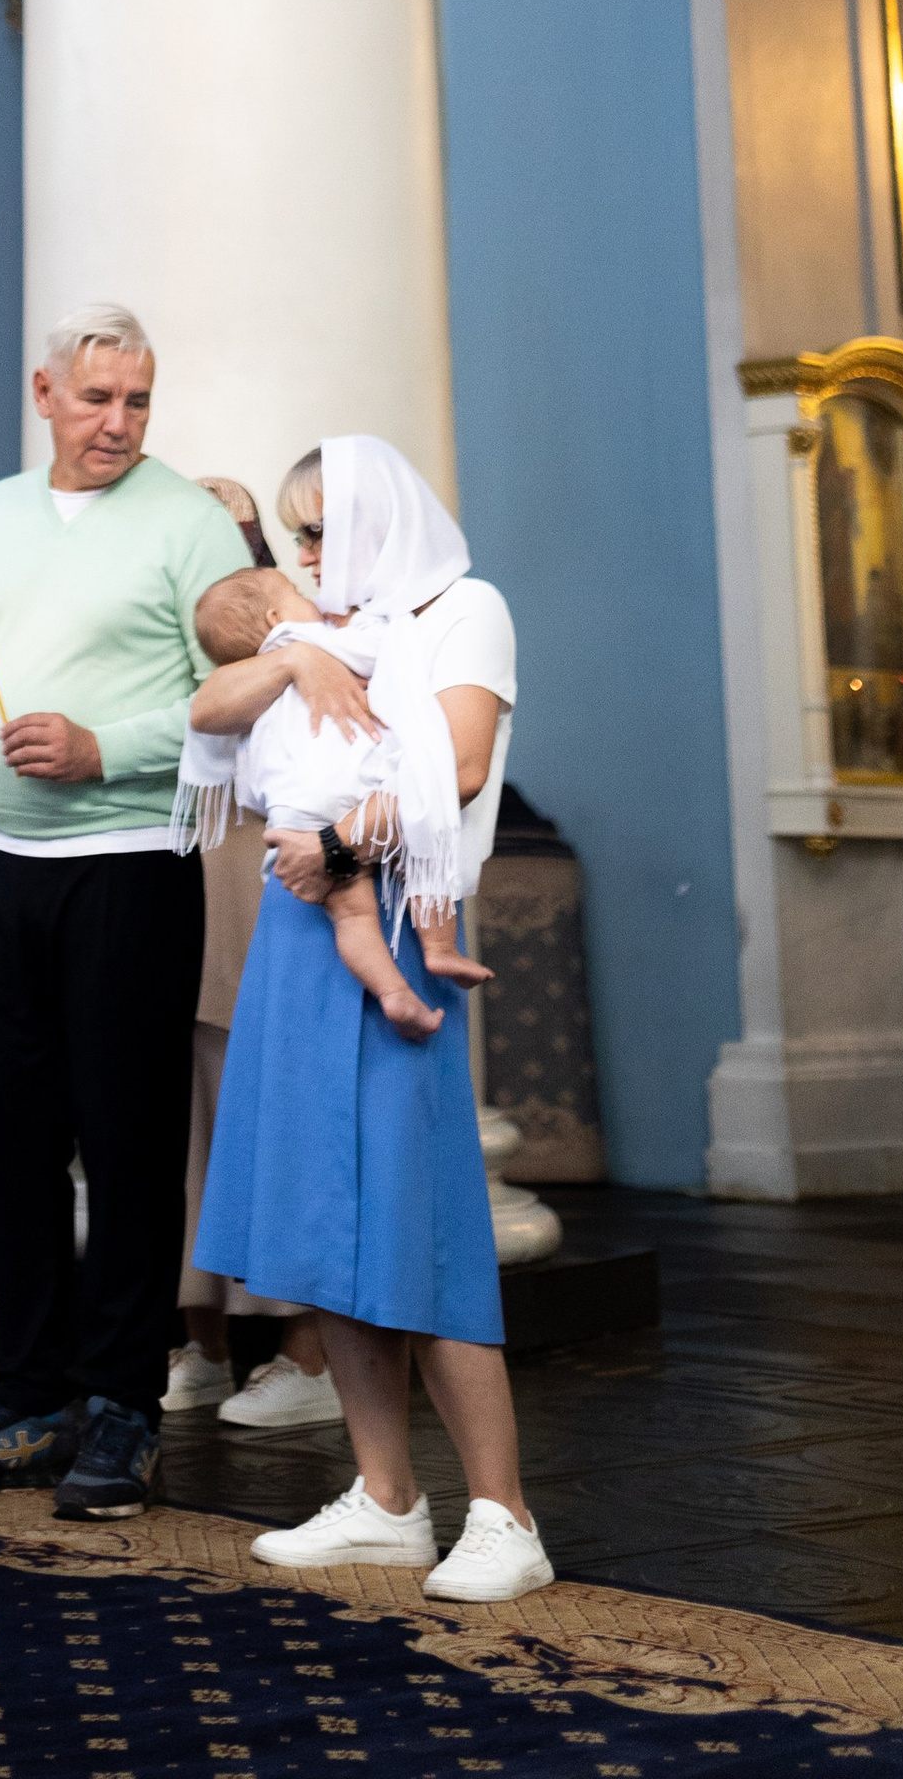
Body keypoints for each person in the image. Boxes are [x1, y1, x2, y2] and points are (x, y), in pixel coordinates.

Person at [0, 303, 254, 1520]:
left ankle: (121, 1408)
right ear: (44, 394)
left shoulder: (189, 524)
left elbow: (243, 691)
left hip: (128, 865)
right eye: (96, 398)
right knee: (8, 1139)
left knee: (128, 1145)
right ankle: (28, 1397)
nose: (118, 423)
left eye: (138, 400)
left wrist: (109, 745)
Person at [186, 435, 552, 1604]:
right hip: (304, 932)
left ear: (378, 523)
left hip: (391, 918)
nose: (300, 556)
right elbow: (206, 703)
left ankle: (504, 1515)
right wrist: (291, 666)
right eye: (291, 533)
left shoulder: (465, 608)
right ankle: (387, 1497)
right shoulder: (341, 633)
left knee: (415, 1218)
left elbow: (456, 759)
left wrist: (335, 843)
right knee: (318, 1219)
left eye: (316, 532)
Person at [168, 485, 344, 1438]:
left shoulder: (292, 622)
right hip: (187, 884)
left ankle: (306, 1353)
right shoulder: (183, 616)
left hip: (267, 879)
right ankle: (200, 1342)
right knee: (190, 1128)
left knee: (275, 1116)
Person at [175, 556, 492, 1037]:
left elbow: (208, 727)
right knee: (424, 858)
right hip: (352, 788)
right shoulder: (311, 642)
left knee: (351, 912)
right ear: (274, 622)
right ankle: (439, 949)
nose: (312, 599)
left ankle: (393, 993)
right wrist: (379, 627)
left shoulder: (254, 676)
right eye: (295, 595)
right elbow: (383, 649)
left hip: (293, 813)